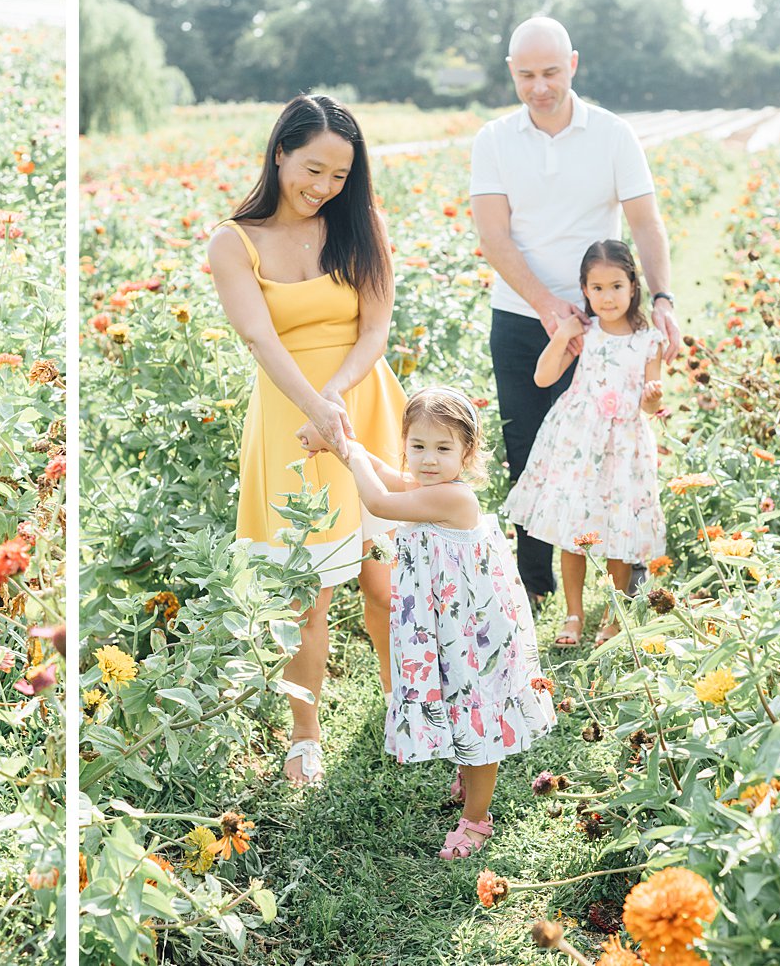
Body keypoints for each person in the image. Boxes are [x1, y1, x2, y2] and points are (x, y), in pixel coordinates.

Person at [207, 94, 406, 787]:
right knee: (307, 591)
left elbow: (375, 329)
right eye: (313, 168)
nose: (324, 187)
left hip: (365, 408)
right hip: (289, 420)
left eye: (339, 176)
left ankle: (400, 702)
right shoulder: (233, 242)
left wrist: (337, 400)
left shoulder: (362, 226)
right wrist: (314, 409)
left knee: (386, 581)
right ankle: (304, 735)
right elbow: (260, 338)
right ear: (281, 152)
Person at [470, 17, 681, 617]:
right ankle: (535, 586)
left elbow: (645, 222)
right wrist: (545, 305)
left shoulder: (613, 135)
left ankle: (628, 586)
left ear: (574, 65)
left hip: (609, 322)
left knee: (618, 450)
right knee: (530, 448)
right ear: (512, 72)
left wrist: (661, 300)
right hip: (521, 315)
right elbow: (493, 235)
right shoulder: (494, 139)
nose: (540, 86)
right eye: (527, 75)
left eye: (552, 72)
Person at [340, 388, 556, 859]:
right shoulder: (430, 488)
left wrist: (352, 451)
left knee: (475, 706)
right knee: (456, 695)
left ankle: (478, 818)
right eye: (417, 447)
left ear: (467, 452)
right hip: (445, 625)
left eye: (443, 449)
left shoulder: (455, 498)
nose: (428, 460)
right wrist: (342, 445)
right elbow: (388, 476)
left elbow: (379, 499)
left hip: (471, 632)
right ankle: (469, 765)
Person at [503, 241, 666, 646]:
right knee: (573, 529)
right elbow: (543, 378)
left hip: (624, 444)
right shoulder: (585, 332)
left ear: (633, 285)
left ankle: (611, 616)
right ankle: (573, 614)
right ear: (584, 290)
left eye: (615, 286)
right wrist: (563, 335)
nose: (607, 297)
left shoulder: (649, 340)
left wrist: (652, 400)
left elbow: (652, 403)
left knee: (619, 531)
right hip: (578, 440)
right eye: (596, 288)